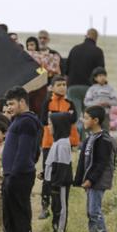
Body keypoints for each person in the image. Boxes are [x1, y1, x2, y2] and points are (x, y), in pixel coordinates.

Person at [1, 87, 42, 232]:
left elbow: (25, 153)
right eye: (7, 104)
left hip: (18, 177)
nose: (8, 107)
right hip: (12, 175)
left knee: (20, 217)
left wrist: (14, 175)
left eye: (11, 103)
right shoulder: (18, 121)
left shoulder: (27, 122)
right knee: (9, 218)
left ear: (22, 102)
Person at [39, 76, 79, 220]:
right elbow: (43, 119)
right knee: (47, 174)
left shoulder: (70, 103)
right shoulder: (47, 103)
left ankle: (59, 206)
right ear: (52, 87)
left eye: (64, 84)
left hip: (64, 144)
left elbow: (73, 119)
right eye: (59, 84)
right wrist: (64, 117)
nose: (62, 87)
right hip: (48, 143)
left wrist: (55, 116)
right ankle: (45, 205)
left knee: (61, 174)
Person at [74, 105, 115, 232]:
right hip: (91, 181)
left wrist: (91, 180)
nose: (83, 121)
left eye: (86, 118)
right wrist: (78, 180)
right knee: (90, 211)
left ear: (95, 120)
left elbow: (101, 163)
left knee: (94, 210)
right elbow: (82, 162)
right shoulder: (89, 139)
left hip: (98, 181)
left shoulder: (103, 140)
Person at [44, 112, 75, 232]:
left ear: (59, 126)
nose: (48, 127)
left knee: (61, 208)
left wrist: (56, 184)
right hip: (54, 182)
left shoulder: (62, 144)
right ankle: (55, 230)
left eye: (51, 124)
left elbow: (62, 166)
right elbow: (53, 163)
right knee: (55, 207)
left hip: (59, 184)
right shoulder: (57, 142)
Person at [64, 29, 105, 111]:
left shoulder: (74, 49)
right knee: (88, 115)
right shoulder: (98, 51)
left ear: (86, 35)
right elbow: (101, 71)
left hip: (73, 86)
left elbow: (66, 70)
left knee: (76, 114)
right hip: (90, 87)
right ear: (96, 38)